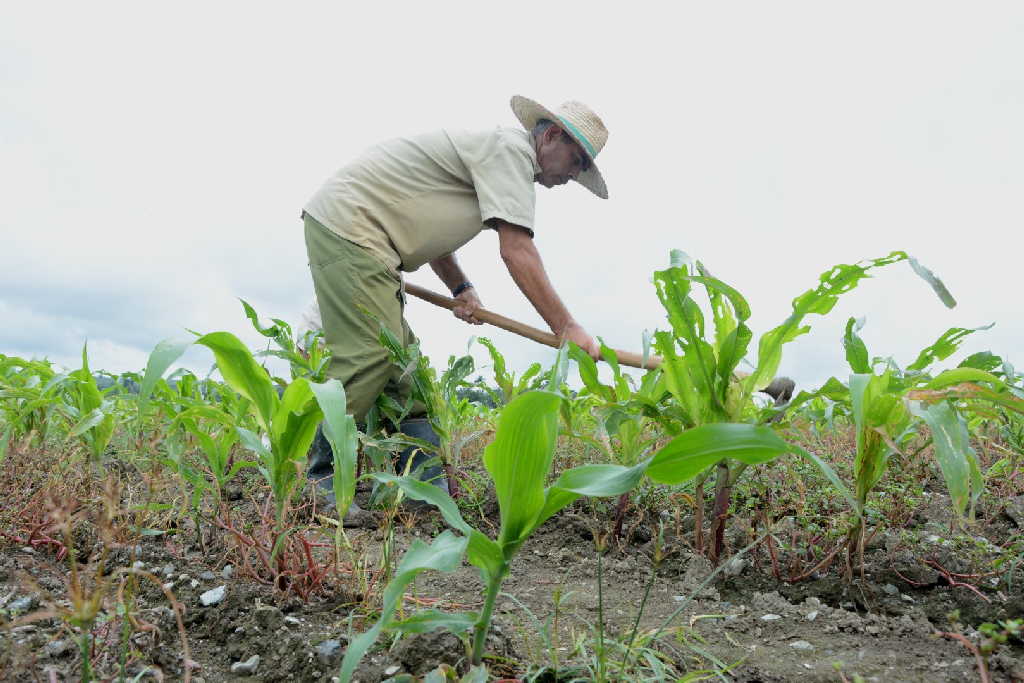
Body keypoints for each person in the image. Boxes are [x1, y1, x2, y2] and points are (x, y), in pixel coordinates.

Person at [301, 96, 610, 517]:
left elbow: (431, 231)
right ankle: (320, 487)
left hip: (372, 237)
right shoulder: (512, 152)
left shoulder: (492, 159)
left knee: (405, 373)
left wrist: (461, 287)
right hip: (353, 227)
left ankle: (425, 494)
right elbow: (516, 250)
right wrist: (567, 327)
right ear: (552, 135)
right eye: (576, 162)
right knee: (369, 357)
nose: (573, 176)